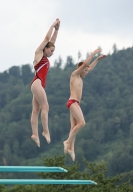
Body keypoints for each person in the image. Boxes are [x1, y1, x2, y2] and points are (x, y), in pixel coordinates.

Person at [63, 48, 106, 161]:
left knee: (74, 127)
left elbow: (89, 67)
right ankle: (67, 142)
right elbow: (86, 64)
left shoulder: (81, 77)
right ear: (80, 69)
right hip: (72, 102)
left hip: (76, 103)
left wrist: (97, 59)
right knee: (82, 123)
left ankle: (71, 149)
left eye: (87, 71)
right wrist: (93, 53)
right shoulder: (74, 75)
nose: (87, 72)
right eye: (85, 71)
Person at [30, 18, 60, 147]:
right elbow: (47, 40)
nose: (52, 53)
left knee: (36, 110)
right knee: (45, 107)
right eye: (51, 51)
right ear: (45, 49)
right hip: (37, 82)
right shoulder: (38, 54)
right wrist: (52, 25)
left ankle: (35, 134)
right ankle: (45, 131)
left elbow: (51, 42)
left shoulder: (46, 54)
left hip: (38, 84)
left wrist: (57, 30)